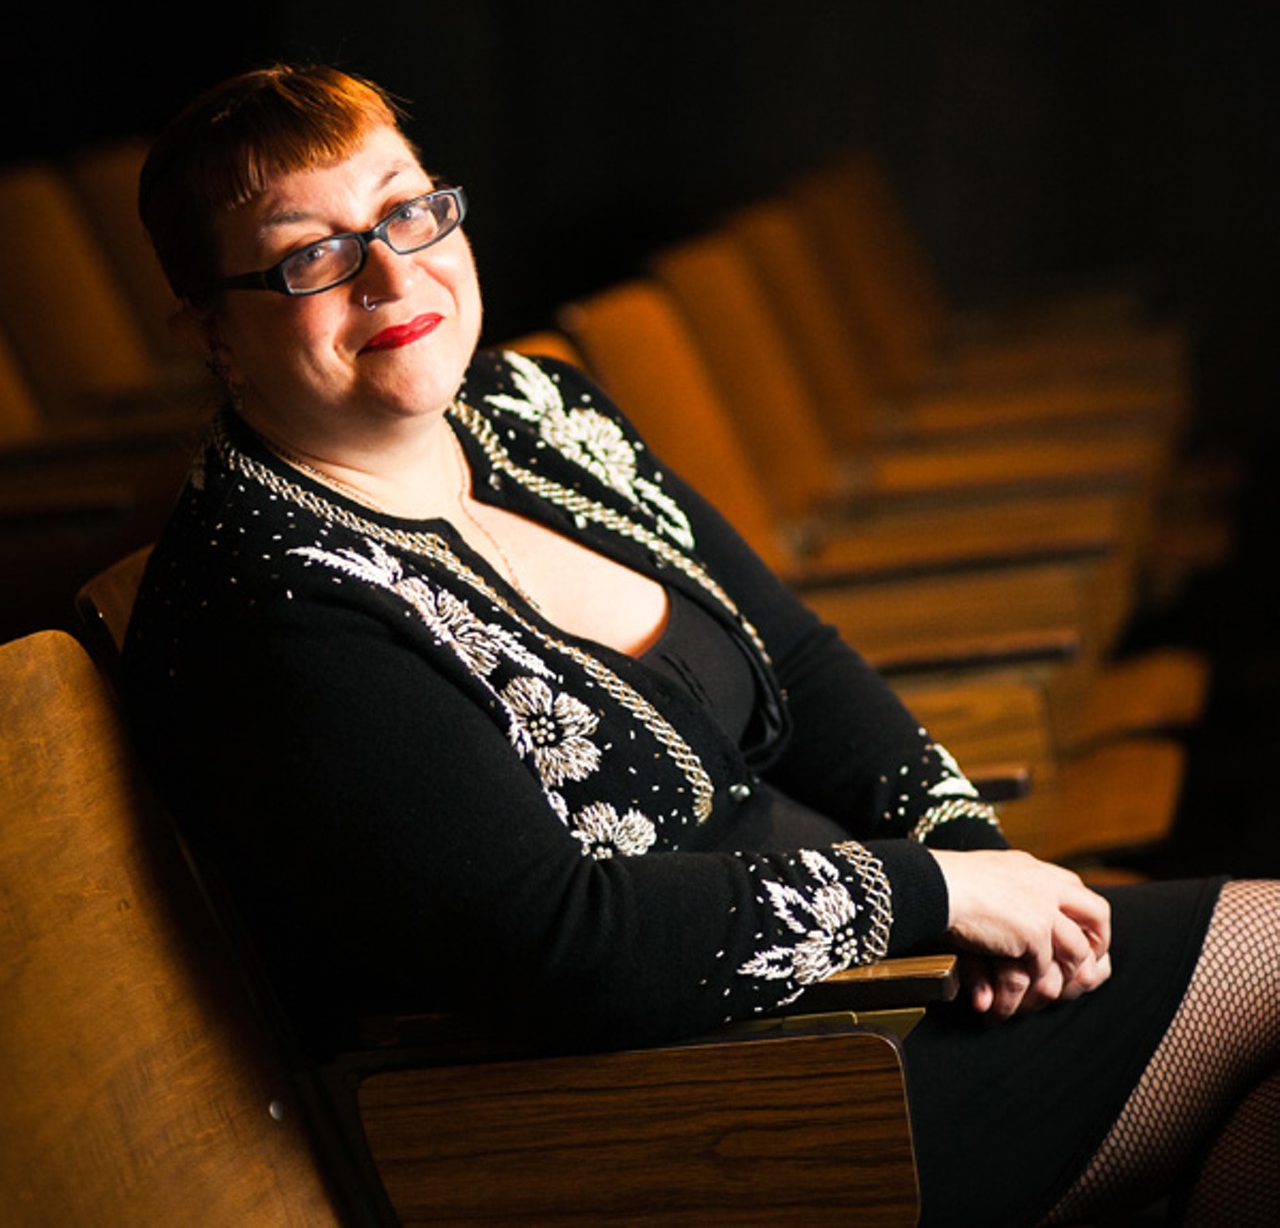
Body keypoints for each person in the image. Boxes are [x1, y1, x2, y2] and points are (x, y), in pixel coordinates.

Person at [122, 62, 1280, 1228]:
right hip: (696, 1109)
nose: (390, 271)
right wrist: (927, 892)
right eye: (310, 254)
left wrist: (983, 865)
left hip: (862, 997)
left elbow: (800, 660)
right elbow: (556, 950)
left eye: (406, 206)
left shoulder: (531, 407)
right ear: (209, 328)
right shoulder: (268, 595)